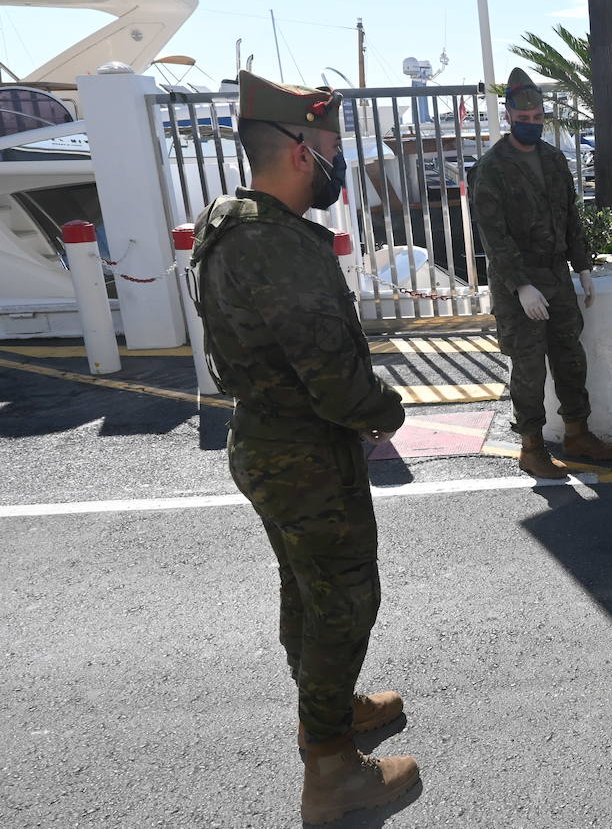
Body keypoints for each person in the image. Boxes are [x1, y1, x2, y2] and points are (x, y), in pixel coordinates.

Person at [190, 71, 418, 824]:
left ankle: (329, 711)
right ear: (299, 153)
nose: (337, 164)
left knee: (308, 589)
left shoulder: (232, 222)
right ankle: (331, 768)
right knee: (344, 602)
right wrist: (386, 410)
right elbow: (335, 381)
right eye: (332, 149)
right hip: (305, 456)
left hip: (271, 443)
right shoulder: (274, 244)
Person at [469, 67, 612, 479]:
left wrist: (582, 266)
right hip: (518, 283)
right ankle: (532, 447)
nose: (532, 124)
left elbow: (570, 216)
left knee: (570, 356)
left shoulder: (553, 159)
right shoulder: (491, 168)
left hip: (556, 277)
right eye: (524, 119)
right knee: (529, 365)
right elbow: (494, 236)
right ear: (509, 117)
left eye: (537, 118)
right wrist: (521, 286)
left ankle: (577, 433)